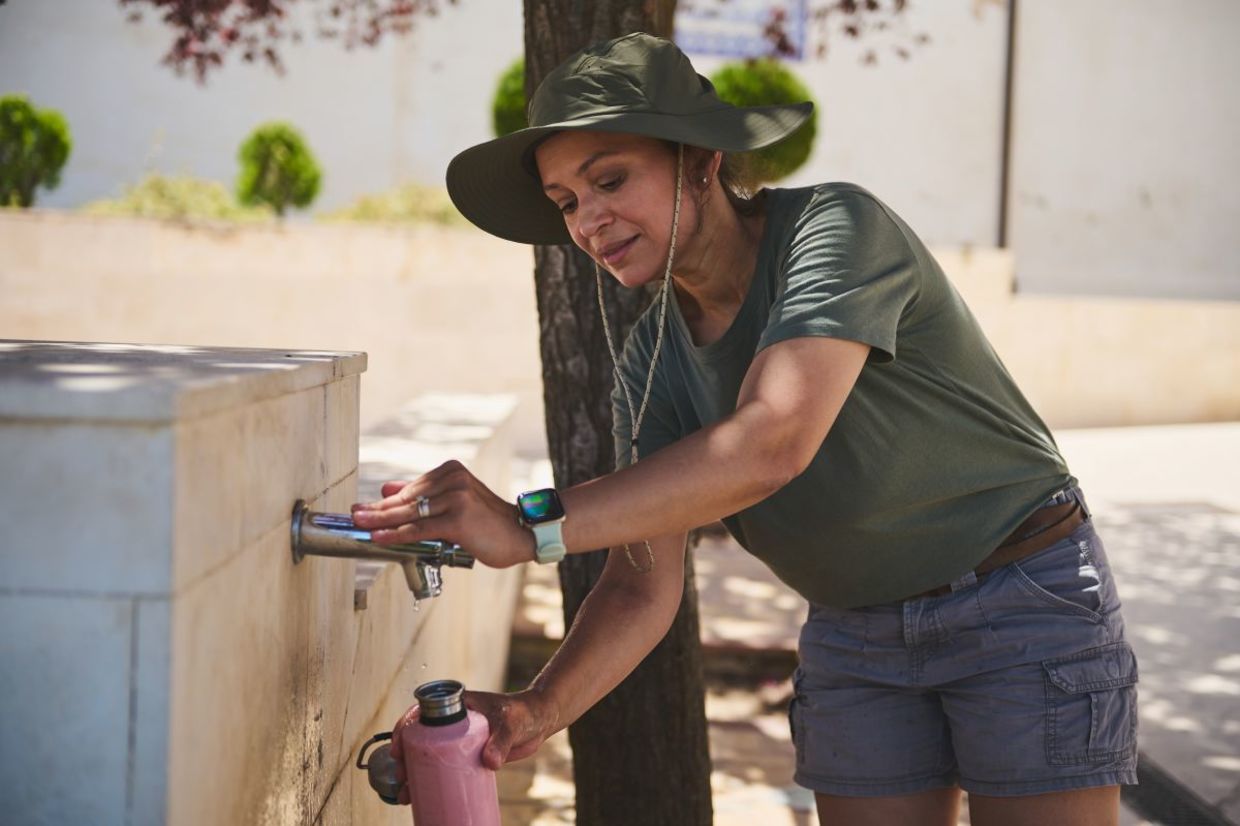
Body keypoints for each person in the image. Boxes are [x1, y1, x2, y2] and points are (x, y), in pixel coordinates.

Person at [352, 32, 1138, 826]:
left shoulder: (836, 229)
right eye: (567, 203)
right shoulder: (649, 357)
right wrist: (538, 708)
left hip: (1014, 594)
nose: (589, 220)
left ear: (701, 161)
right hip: (854, 633)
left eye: (610, 179)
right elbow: (639, 578)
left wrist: (529, 526)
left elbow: (772, 441)